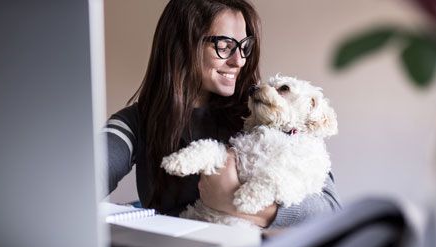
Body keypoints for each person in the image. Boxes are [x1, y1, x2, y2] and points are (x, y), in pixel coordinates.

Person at [104, 0, 341, 228]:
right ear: (183, 46)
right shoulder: (135, 122)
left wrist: (236, 205)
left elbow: (330, 208)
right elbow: (83, 179)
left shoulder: (262, 114)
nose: (239, 61)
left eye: (244, 46)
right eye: (224, 45)